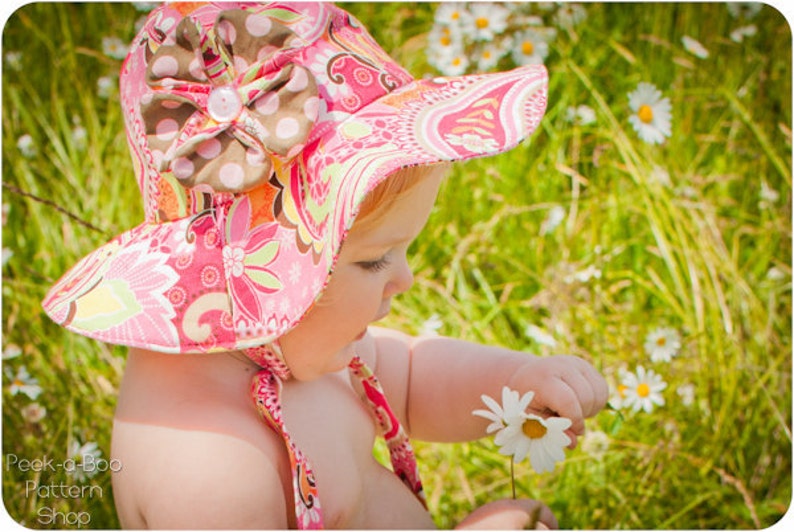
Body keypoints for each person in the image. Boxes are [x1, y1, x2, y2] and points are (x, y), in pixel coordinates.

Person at [42, 2, 608, 529]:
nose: (404, 280)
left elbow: (408, 378)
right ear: (268, 272)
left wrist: (515, 384)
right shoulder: (212, 471)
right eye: (375, 260)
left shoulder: (300, 348)